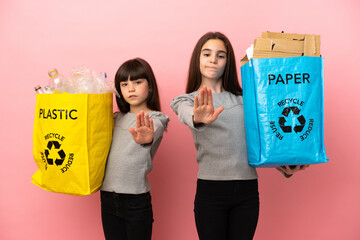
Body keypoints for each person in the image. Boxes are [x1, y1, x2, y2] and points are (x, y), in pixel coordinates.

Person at [171, 32, 307, 240]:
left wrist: (286, 166)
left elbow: (268, 137)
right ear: (197, 59)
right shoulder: (187, 100)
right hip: (211, 191)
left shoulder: (249, 99)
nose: (213, 60)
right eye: (207, 54)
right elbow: (185, 114)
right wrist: (198, 117)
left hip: (247, 190)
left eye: (221, 55)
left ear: (228, 61)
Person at [100, 58, 169, 240]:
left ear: (150, 86)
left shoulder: (157, 118)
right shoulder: (114, 119)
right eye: (124, 84)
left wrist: (147, 138)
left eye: (137, 82)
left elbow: (156, 128)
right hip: (107, 197)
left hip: (136, 201)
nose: (131, 88)